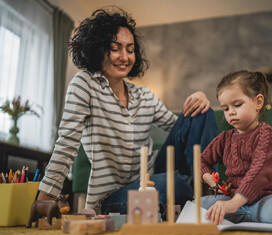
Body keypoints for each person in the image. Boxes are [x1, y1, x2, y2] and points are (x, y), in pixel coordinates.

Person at [37, 7, 216, 215]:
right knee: (171, 183)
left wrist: (200, 97)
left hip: (153, 175)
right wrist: (46, 196)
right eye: (116, 48)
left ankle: (212, 194)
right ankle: (194, 202)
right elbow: (67, 143)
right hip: (115, 195)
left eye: (130, 50)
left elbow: (183, 127)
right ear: (98, 49)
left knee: (202, 113)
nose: (125, 56)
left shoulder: (144, 95)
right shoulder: (84, 84)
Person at [200, 70, 272, 225]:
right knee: (199, 207)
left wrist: (233, 204)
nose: (231, 112)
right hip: (235, 200)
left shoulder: (266, 135)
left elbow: (259, 172)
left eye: (237, 105)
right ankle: (249, 216)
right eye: (225, 108)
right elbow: (201, 161)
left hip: (266, 198)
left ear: (258, 102)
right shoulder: (225, 138)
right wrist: (211, 180)